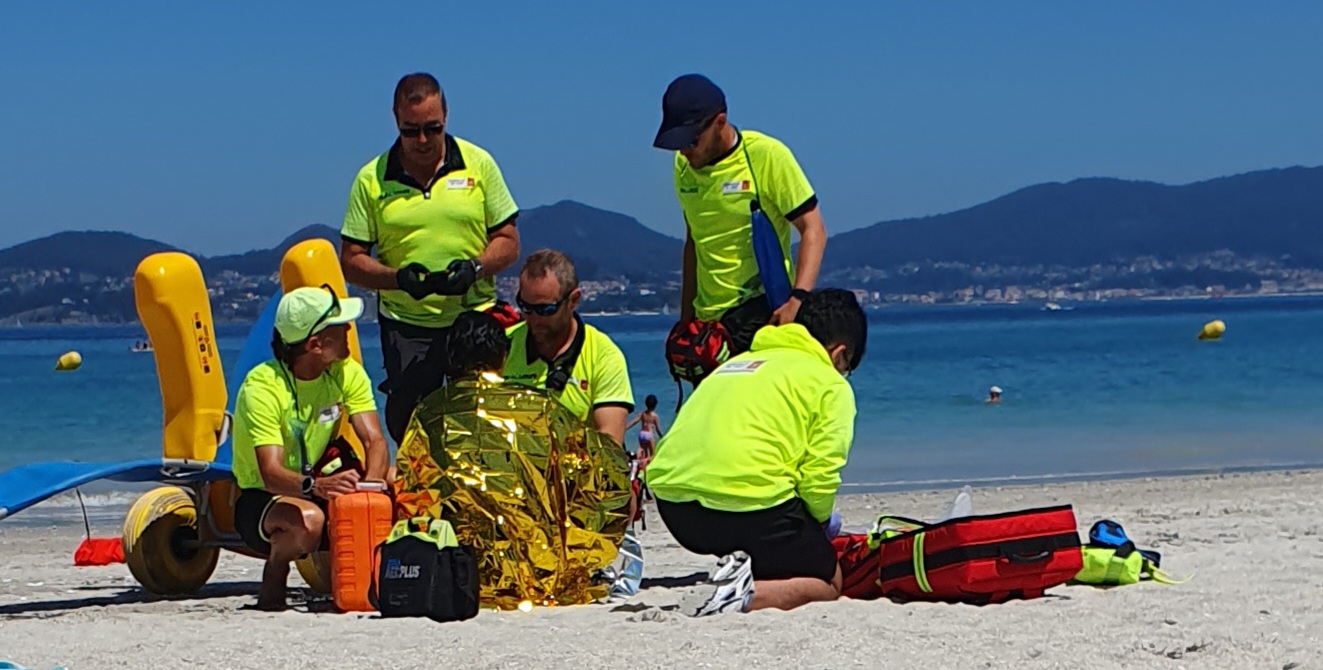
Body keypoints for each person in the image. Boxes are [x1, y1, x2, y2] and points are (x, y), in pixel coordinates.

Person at [645, 289, 867, 615]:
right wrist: (818, 526)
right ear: (840, 355)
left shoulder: (737, 363)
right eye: (848, 367)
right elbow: (820, 475)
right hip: (747, 507)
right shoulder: (830, 384)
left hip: (676, 507)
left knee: (768, 543)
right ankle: (737, 596)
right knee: (828, 580)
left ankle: (740, 572)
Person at [393, 310, 632, 609]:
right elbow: (607, 470)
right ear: (503, 357)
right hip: (538, 569)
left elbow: (410, 489)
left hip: (452, 568)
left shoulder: (429, 411)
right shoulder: (539, 407)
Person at [340, 72, 521, 444]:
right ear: (395, 121)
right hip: (407, 323)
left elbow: (509, 241)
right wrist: (398, 278)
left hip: (474, 313)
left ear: (446, 118)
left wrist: (475, 269)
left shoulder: (479, 163)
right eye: (411, 130)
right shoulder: (371, 179)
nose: (422, 140)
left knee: (482, 422)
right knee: (411, 425)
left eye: (432, 128)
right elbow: (352, 259)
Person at [230, 286, 391, 611]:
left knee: (398, 479)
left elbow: (375, 440)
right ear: (315, 344)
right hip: (263, 496)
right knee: (308, 520)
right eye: (340, 326)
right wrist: (317, 486)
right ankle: (276, 568)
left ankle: (369, 576)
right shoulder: (262, 386)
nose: (349, 329)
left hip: (319, 480)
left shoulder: (346, 371)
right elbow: (271, 472)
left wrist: (369, 492)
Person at [653, 73, 829, 361]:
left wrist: (798, 299)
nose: (684, 151)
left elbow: (814, 229)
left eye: (691, 141)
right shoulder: (683, 167)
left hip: (760, 313)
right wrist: (684, 321)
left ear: (719, 122)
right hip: (706, 325)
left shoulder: (766, 156)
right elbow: (694, 242)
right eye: (677, 143)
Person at [502, 249, 634, 446]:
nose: (533, 319)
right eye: (525, 307)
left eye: (545, 310)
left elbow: (610, 444)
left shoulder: (603, 355)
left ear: (573, 300)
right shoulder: (503, 346)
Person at [625, 394, 664, 467]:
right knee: (652, 455)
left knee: (644, 454)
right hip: (649, 435)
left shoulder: (642, 414)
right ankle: (648, 467)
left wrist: (626, 427)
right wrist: (662, 437)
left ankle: (642, 467)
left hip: (642, 434)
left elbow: (634, 421)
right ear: (655, 405)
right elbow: (658, 429)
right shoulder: (655, 416)